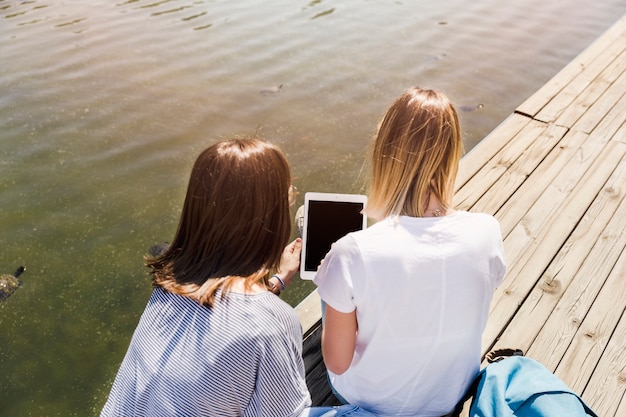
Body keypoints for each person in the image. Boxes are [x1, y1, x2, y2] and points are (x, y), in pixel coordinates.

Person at [101, 138, 376, 417]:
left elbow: (223, 316)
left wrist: (279, 279)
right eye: (289, 197)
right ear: (270, 218)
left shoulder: (169, 281)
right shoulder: (271, 322)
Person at [313, 87, 507, 417]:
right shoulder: (487, 230)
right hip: (449, 396)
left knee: (332, 282)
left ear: (385, 154)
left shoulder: (353, 252)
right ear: (451, 156)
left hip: (373, 401)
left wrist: (333, 272)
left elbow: (337, 363)